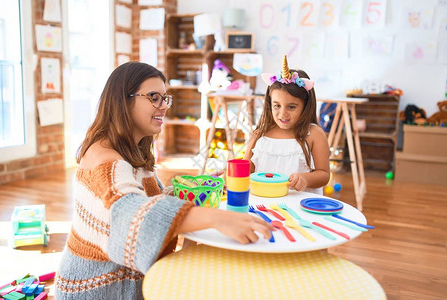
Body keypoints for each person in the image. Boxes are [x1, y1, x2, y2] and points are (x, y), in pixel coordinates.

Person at [55, 62, 274, 299]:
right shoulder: (104, 158)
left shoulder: (131, 151)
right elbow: (131, 214)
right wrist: (216, 217)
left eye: (164, 98)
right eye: (154, 97)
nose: (163, 106)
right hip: (97, 291)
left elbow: (152, 200)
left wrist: (208, 185)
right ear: (123, 100)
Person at [244, 56, 330, 194]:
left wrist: (305, 178)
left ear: (305, 106)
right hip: (264, 202)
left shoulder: (313, 134)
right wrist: (232, 172)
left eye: (291, 107)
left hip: (300, 205)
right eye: (277, 105)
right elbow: (248, 168)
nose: (282, 113)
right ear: (269, 104)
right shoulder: (260, 134)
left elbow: (324, 175)